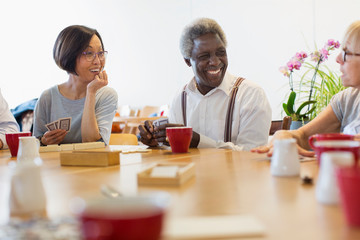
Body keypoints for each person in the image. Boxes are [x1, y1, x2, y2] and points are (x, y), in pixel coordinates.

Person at [139, 18, 271, 151]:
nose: (214, 61)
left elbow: (253, 153)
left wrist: (198, 141)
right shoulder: (180, 98)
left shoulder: (251, 95)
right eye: (204, 56)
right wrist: (156, 143)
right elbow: (173, 153)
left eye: (220, 53)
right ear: (187, 61)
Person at [251, 20, 360, 157]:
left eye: (346, 52)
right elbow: (303, 136)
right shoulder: (346, 100)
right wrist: (285, 136)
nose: (337, 58)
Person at [33, 25, 118, 146]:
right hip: (55, 164)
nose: (98, 61)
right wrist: (43, 141)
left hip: (92, 164)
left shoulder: (106, 95)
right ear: (69, 56)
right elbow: (34, 143)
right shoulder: (48, 97)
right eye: (89, 53)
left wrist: (91, 92)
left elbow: (92, 143)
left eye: (100, 53)